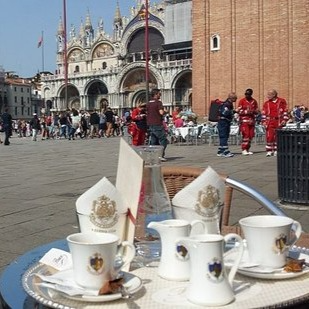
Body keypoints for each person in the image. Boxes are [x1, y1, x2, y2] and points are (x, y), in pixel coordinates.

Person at [261, 89, 289, 157]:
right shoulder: (266, 103)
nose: (267, 96)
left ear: (274, 95)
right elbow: (264, 113)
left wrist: (284, 120)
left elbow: (285, 111)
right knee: (269, 136)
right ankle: (269, 150)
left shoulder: (281, 101)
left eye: (269, 94)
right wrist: (264, 121)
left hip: (279, 121)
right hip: (270, 121)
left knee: (278, 136)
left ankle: (277, 150)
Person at [147, 88, 168, 161]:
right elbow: (161, 112)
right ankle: (160, 155)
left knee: (154, 140)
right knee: (163, 140)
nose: (160, 95)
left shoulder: (148, 103)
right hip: (157, 123)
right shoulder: (158, 102)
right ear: (155, 94)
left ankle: (153, 156)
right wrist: (166, 111)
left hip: (150, 124)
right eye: (159, 94)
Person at [237, 89, 259, 155]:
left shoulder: (254, 101)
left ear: (251, 94)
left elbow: (256, 110)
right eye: (246, 94)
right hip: (244, 121)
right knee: (246, 135)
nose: (247, 95)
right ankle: (244, 149)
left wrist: (255, 112)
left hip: (251, 121)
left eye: (248, 94)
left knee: (251, 135)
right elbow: (239, 111)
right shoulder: (242, 101)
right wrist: (247, 112)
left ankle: (248, 148)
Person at [217, 92, 237, 157]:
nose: (236, 99)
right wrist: (232, 111)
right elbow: (224, 112)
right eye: (235, 98)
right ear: (232, 98)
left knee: (223, 136)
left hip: (223, 122)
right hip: (223, 122)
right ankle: (225, 151)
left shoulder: (228, 103)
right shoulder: (227, 104)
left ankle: (220, 151)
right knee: (224, 136)